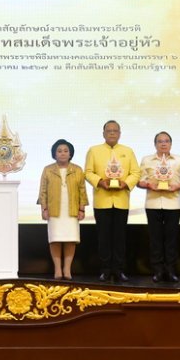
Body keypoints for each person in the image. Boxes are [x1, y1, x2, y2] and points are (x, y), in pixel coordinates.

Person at [84, 120, 141, 282]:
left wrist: (126, 183)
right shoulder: (94, 151)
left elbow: (136, 173)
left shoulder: (128, 151)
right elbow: (88, 172)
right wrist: (100, 181)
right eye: (109, 131)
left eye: (115, 131)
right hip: (102, 201)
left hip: (121, 200)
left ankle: (119, 269)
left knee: (120, 238)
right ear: (103, 133)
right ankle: (105, 270)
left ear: (120, 133)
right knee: (103, 238)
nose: (112, 133)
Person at [138, 131, 180, 283]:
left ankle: (171, 270)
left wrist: (176, 187)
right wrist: (148, 184)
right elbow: (139, 181)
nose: (163, 144)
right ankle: (157, 271)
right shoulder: (147, 160)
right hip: (153, 203)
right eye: (160, 141)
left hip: (173, 204)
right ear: (155, 144)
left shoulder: (179, 160)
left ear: (171, 144)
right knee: (155, 239)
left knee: (171, 240)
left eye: (166, 141)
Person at [37, 139, 88, 280]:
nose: (63, 154)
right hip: (54, 209)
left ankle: (67, 270)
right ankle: (57, 269)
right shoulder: (48, 169)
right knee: (55, 239)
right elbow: (43, 191)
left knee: (71, 239)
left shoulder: (77, 170)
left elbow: (82, 190)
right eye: (59, 151)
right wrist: (44, 208)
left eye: (66, 151)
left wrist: (82, 209)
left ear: (70, 154)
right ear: (54, 154)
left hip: (71, 209)